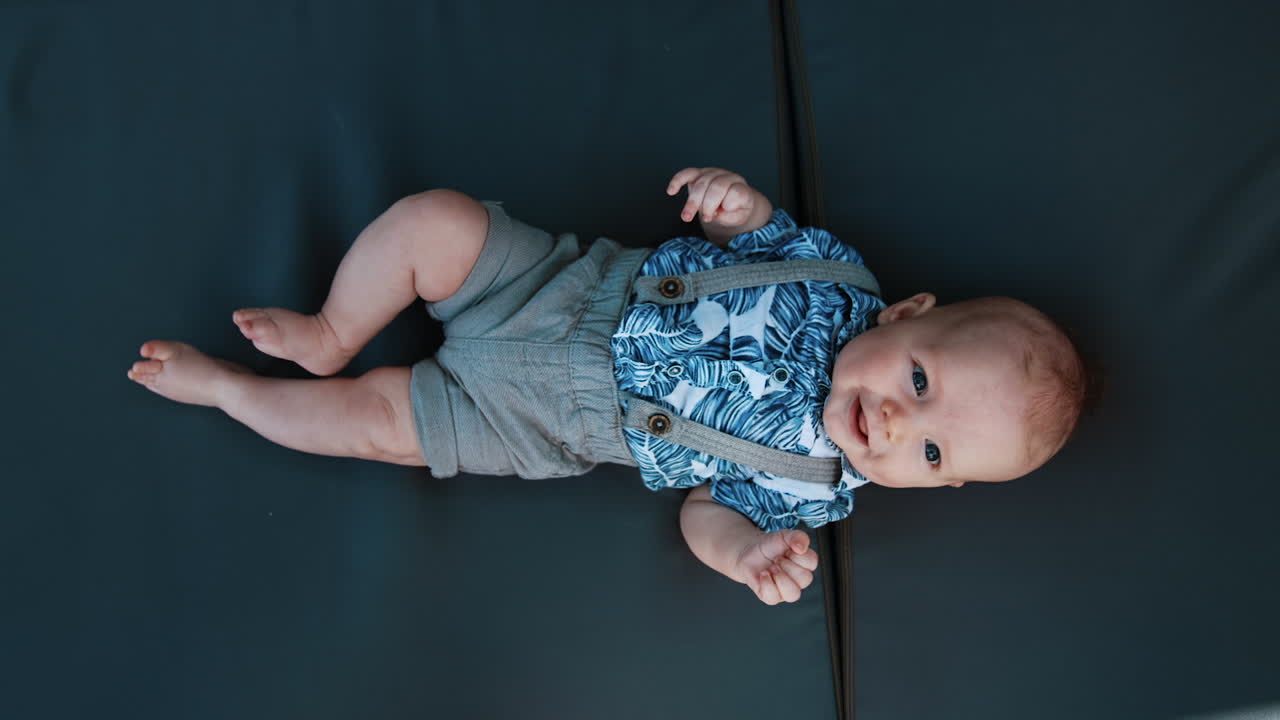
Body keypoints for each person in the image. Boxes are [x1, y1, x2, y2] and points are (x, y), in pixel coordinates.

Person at [126, 167, 1087, 606]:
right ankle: (332, 330)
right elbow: (757, 234)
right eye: (919, 378)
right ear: (904, 312)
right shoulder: (837, 277)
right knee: (435, 220)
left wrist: (744, 555)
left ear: (938, 483)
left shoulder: (814, 491)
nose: (896, 420)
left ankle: (233, 393)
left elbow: (701, 513)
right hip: (558, 287)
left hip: (542, 424)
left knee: (380, 427)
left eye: (931, 449)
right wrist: (733, 204)